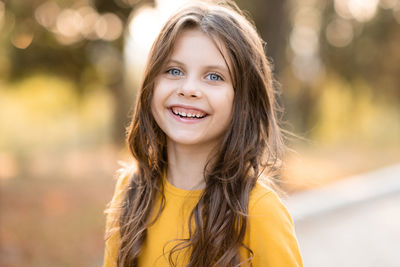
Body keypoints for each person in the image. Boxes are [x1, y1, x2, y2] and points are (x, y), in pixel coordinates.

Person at [103, 1, 303, 266]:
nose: (189, 89)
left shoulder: (260, 212)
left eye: (214, 77)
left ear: (243, 99)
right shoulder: (131, 190)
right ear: (151, 84)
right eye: (174, 71)